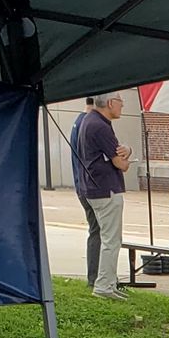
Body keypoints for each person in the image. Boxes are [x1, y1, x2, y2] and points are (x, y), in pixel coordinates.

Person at [74, 91, 131, 299]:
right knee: (111, 240)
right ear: (110, 103)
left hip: (93, 188)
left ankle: (106, 282)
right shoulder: (100, 126)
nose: (122, 106)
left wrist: (124, 151)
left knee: (105, 237)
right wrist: (128, 154)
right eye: (120, 102)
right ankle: (104, 286)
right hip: (106, 189)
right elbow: (121, 163)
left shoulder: (88, 121)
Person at [67, 96, 100, 289]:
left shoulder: (78, 122)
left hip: (82, 185)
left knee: (96, 230)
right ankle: (95, 278)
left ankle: (97, 277)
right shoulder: (88, 124)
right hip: (90, 188)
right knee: (98, 231)